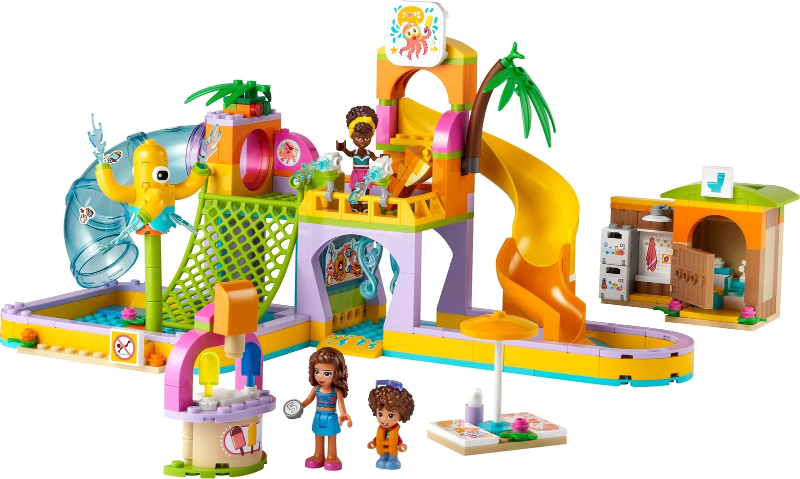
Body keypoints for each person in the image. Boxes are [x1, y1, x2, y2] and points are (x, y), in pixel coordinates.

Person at [298, 347, 352, 471]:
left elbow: (341, 405)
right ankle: (318, 455)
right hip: (318, 415)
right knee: (318, 435)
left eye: (327, 373)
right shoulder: (316, 389)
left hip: (331, 417)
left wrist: (344, 414)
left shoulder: (336, 390)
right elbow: (307, 400)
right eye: (317, 371)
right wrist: (299, 408)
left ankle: (332, 456)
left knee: (332, 436)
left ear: (337, 374)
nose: (320, 377)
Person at [336, 106, 380, 212]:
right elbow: (348, 154)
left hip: (366, 174)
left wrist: (382, 158)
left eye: (366, 138)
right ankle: (354, 204)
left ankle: (365, 204)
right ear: (352, 137)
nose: (362, 141)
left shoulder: (369, 153)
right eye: (358, 138)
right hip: (356, 173)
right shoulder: (354, 152)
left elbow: (376, 159)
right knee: (354, 189)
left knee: (366, 189)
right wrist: (343, 149)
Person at [366, 381, 415, 470]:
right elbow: (377, 438)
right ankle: (383, 459)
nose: (384, 420)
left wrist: (401, 445)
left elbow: (398, 439)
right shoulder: (381, 430)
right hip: (382, 449)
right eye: (380, 414)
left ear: (401, 415)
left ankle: (393, 461)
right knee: (382, 458)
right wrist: (373, 442)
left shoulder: (394, 431)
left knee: (392, 457)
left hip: (393, 449)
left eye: (391, 416)